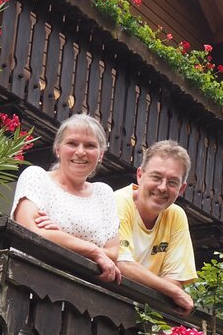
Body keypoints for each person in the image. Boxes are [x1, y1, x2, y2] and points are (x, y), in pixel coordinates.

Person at [11, 114, 121, 284]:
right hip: (31, 286)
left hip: (83, 296)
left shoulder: (104, 193)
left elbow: (113, 252)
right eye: (72, 143)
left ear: (101, 155)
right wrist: (94, 250)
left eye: (90, 145)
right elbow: (29, 231)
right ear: (57, 149)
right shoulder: (37, 177)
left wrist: (59, 236)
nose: (80, 152)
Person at [115, 140, 197, 313]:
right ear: (140, 175)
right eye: (156, 177)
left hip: (142, 316)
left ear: (181, 189)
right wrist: (173, 291)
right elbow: (122, 263)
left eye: (172, 182)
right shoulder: (119, 201)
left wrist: (172, 289)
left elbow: (175, 280)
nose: (162, 187)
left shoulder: (176, 216)